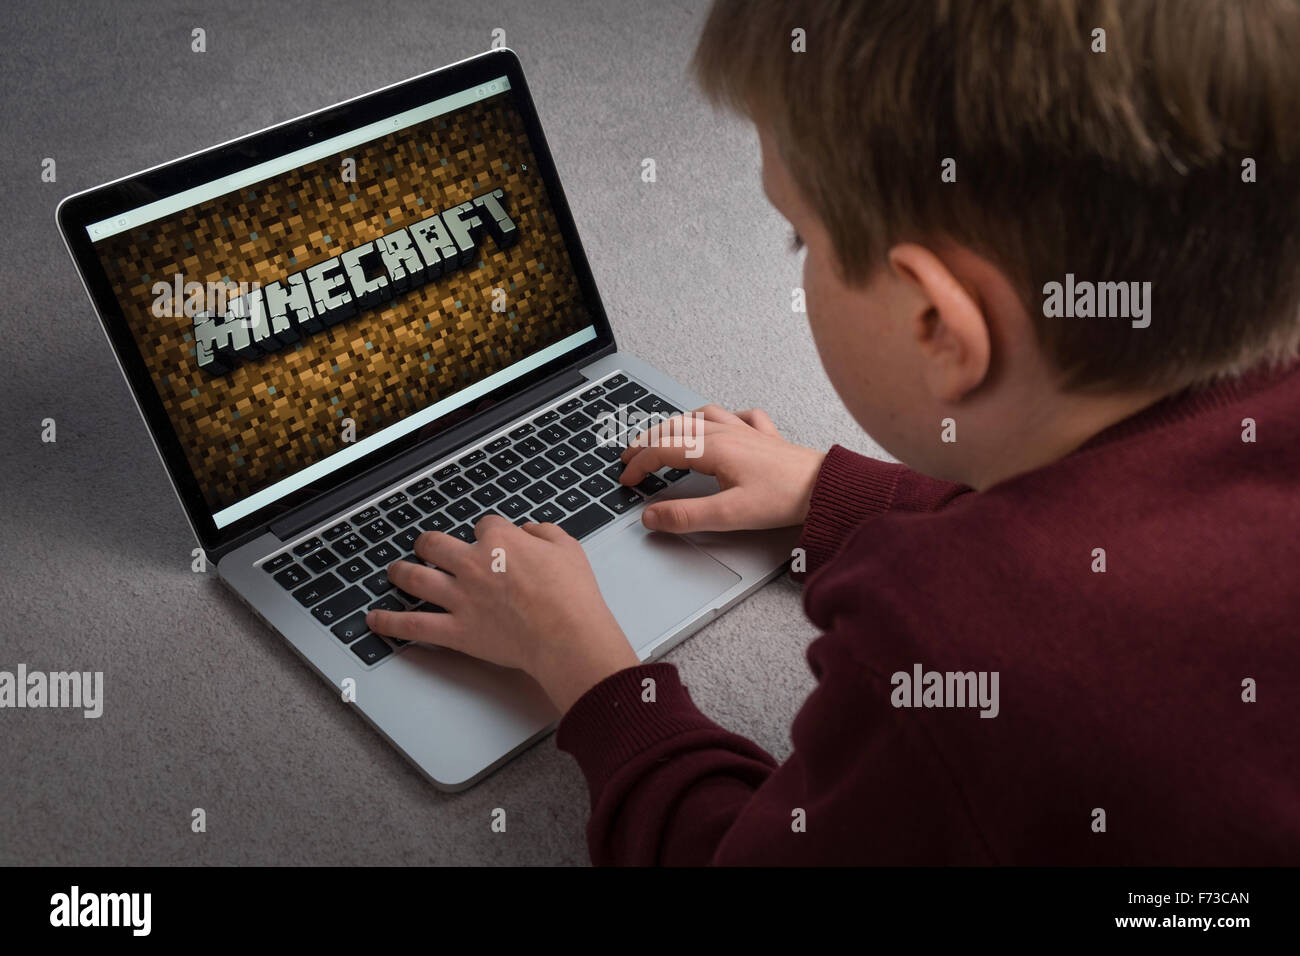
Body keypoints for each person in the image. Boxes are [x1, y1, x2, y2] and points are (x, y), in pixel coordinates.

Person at [368, 0, 1300, 864]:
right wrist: (835, 492)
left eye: (799, 238)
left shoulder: (952, 646)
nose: (799, 259)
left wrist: (584, 667)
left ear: (936, 324)